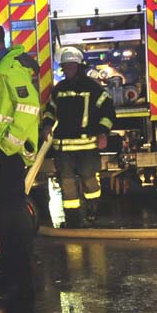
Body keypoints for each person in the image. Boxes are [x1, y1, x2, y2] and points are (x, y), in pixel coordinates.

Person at [0, 23, 40, 307]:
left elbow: (29, 109)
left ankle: (21, 284)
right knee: (1, 219)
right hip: (0, 158)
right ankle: (9, 274)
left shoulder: (9, 69)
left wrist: (9, 145)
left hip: (9, 158)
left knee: (12, 223)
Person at [42, 46, 114, 227]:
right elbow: (50, 110)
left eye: (71, 66)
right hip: (64, 145)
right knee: (66, 181)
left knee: (89, 178)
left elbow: (108, 111)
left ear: (78, 66)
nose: (68, 70)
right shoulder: (59, 89)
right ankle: (72, 217)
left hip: (87, 144)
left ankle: (93, 207)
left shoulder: (93, 88)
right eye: (65, 66)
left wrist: (103, 133)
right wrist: (47, 126)